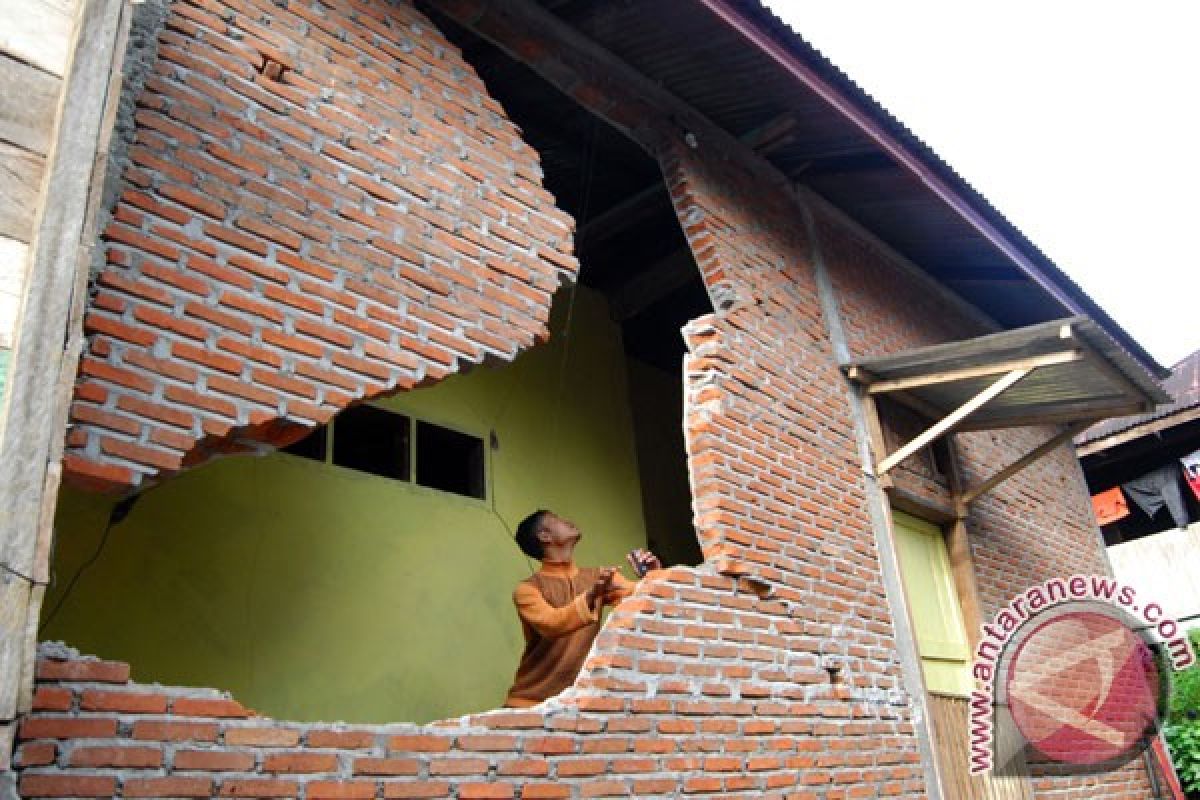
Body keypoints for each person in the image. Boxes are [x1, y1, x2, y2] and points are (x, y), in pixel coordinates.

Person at [504, 509, 660, 708]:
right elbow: (553, 623)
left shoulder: (600, 577)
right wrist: (591, 596)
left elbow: (641, 600)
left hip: (577, 705)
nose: (568, 520)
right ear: (544, 536)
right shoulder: (526, 590)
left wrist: (653, 577)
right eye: (557, 519)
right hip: (528, 704)